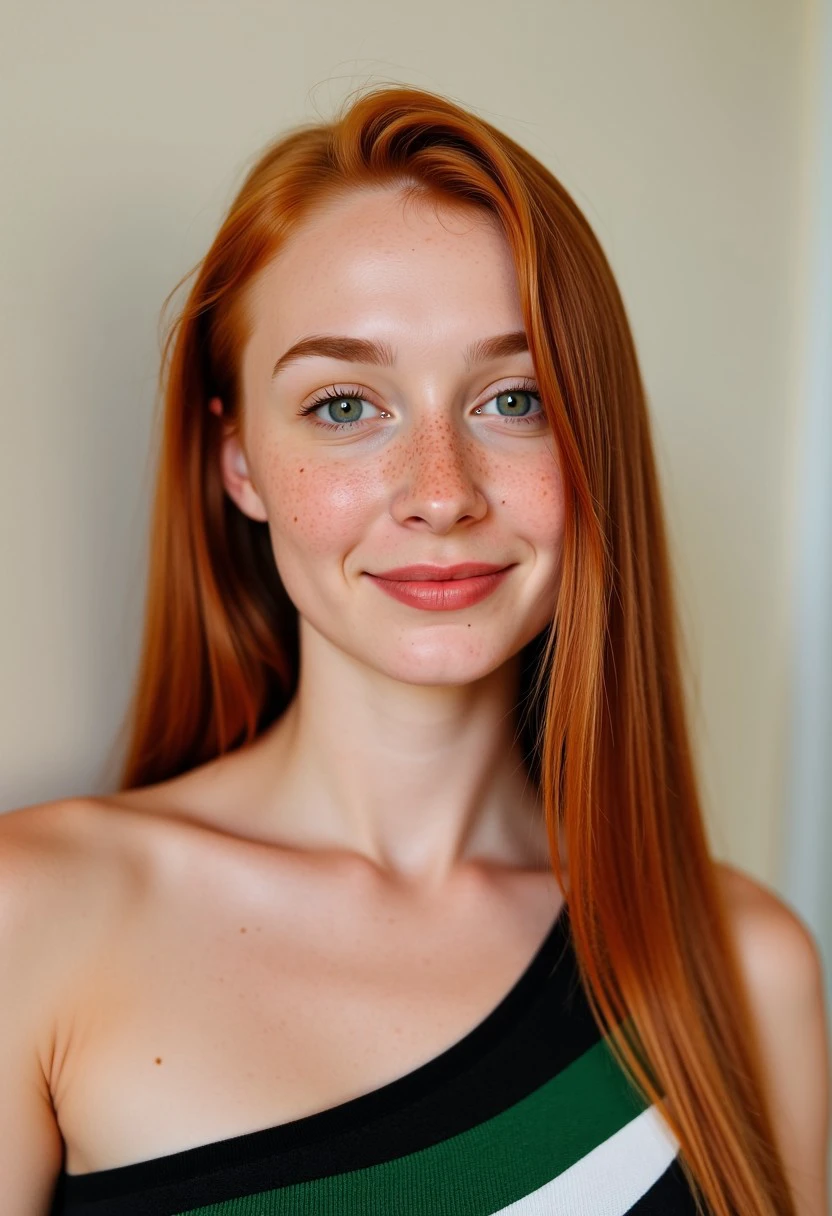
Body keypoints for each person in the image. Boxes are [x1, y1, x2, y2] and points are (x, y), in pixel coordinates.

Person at [0, 83, 827, 1216]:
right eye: (345, 405)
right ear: (237, 460)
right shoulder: (31, 919)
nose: (441, 493)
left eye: (515, 398)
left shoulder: (746, 969)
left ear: (594, 443)